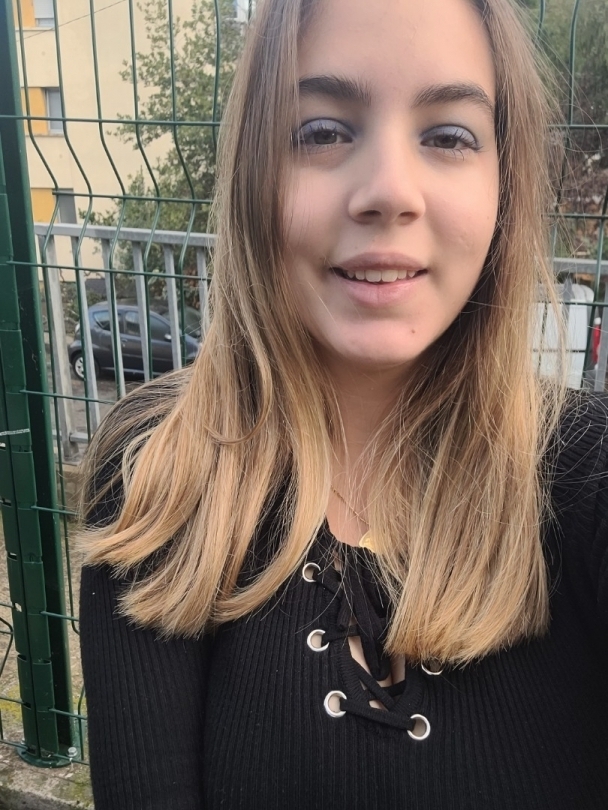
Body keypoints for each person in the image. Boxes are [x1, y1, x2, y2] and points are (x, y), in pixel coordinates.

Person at [78, 0, 608, 807]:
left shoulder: (589, 474)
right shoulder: (161, 472)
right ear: (254, 172)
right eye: (323, 131)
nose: (389, 192)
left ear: (506, 180)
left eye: (448, 135)